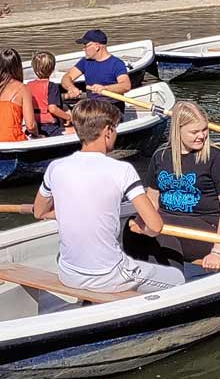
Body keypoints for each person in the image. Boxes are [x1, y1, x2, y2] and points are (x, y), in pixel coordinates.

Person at [32, 99, 185, 294]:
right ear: (108, 132)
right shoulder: (122, 170)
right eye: (115, 129)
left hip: (68, 274)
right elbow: (155, 226)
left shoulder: (55, 168)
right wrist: (140, 228)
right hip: (109, 276)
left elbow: (39, 211)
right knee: (178, 279)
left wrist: (67, 211)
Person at [123, 101, 220, 272]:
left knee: (160, 229)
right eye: (194, 132)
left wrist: (218, 251)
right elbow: (152, 201)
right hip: (166, 222)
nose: (201, 136)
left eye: (204, 130)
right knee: (131, 226)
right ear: (178, 131)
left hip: (207, 228)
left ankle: (173, 283)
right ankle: (135, 274)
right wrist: (138, 222)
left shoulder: (216, 158)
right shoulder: (161, 156)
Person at [61, 29, 131, 110]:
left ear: (97, 47)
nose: (83, 49)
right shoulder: (85, 62)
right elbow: (67, 77)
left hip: (112, 108)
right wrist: (71, 88)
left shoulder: (116, 64)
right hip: (93, 107)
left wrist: (104, 88)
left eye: (86, 45)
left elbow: (126, 86)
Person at [28, 51, 72, 136]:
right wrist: (68, 117)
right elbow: (52, 109)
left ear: (34, 69)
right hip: (50, 127)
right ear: (52, 69)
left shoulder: (28, 86)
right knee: (77, 132)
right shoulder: (52, 86)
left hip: (34, 124)